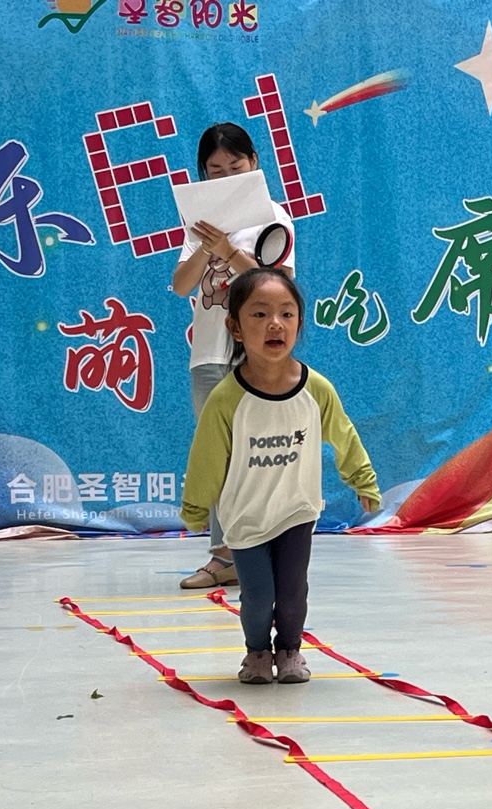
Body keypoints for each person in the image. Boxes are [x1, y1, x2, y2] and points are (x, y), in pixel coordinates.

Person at [182, 269, 380, 684]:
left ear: (298, 324)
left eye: (286, 314)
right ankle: (256, 653)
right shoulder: (226, 398)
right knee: (257, 597)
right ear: (235, 328)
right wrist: (195, 507)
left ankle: (290, 650)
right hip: (246, 517)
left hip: (296, 511)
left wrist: (363, 479)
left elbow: (344, 436)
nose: (275, 324)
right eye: (260, 314)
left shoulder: (316, 389)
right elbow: (206, 458)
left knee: (292, 593)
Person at [173, 122, 296, 590]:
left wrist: (228, 250)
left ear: (254, 164)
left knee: (259, 454)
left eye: (235, 166)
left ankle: (257, 554)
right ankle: (223, 556)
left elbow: (278, 285)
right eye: (215, 169)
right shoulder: (200, 223)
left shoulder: (273, 217)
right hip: (208, 353)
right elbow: (181, 285)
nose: (226, 176)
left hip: (260, 356)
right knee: (217, 456)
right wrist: (209, 245)